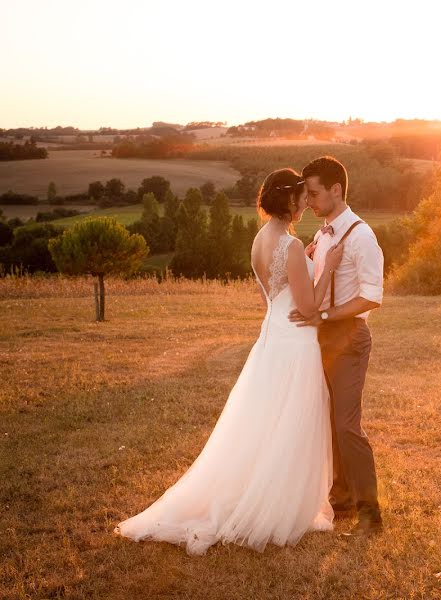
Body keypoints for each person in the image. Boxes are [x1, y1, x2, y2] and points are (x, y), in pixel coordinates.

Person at [115, 168, 344, 555]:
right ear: (289, 200)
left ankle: (256, 492)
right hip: (295, 344)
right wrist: (329, 266)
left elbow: (272, 296)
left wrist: (302, 265)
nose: (307, 201)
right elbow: (309, 306)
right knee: (289, 422)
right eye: (302, 196)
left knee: (264, 423)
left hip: (271, 337)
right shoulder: (289, 245)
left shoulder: (260, 239)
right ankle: (276, 505)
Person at [289, 156, 385, 535]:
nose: (308, 201)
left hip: (348, 338)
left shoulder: (362, 236)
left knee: (346, 426)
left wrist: (326, 318)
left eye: (313, 193)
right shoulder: (321, 234)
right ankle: (340, 503)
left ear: (335, 190)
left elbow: (372, 297)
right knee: (327, 422)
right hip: (320, 340)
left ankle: (370, 514)